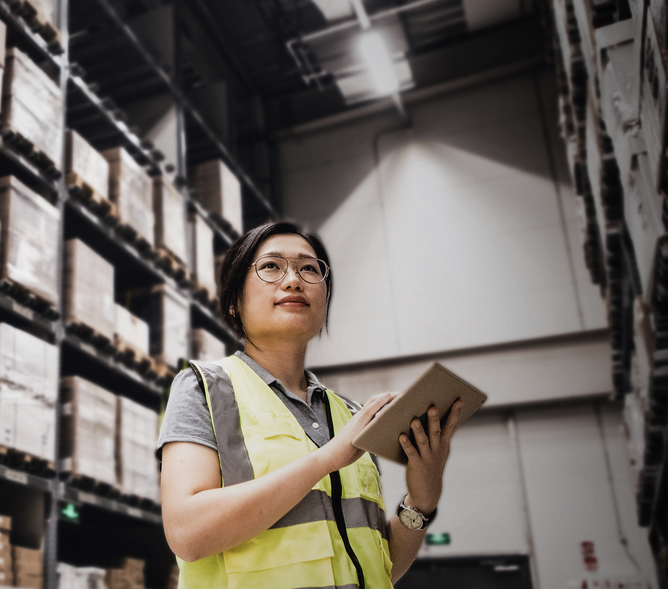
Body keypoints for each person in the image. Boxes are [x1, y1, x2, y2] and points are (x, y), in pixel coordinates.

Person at [158, 222, 462, 589]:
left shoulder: (350, 415)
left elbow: (379, 567)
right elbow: (187, 534)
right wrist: (327, 458)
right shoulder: (205, 389)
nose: (293, 280)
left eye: (310, 268)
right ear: (234, 302)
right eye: (271, 266)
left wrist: (421, 500)